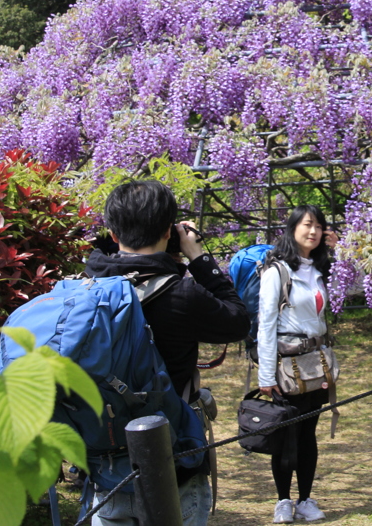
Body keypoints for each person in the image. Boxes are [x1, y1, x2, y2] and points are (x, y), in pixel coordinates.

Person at [85, 179, 251, 526]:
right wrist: (198, 257)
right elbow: (238, 321)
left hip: (107, 463)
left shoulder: (87, 289)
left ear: (114, 235)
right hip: (175, 461)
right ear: (167, 231)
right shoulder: (182, 295)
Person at [258, 205, 338, 524]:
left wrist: (341, 251)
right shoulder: (277, 270)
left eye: (319, 225)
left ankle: (305, 498)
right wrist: (266, 373)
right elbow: (265, 323)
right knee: (286, 435)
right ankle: (282, 501)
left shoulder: (320, 269)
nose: (314, 231)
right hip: (286, 366)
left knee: (308, 433)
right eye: (308, 224)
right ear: (292, 229)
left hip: (316, 364)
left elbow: (356, 287)